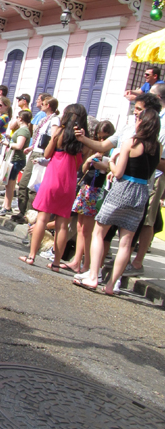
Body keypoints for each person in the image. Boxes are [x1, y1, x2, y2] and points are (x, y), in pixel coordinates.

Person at [73, 107, 162, 293]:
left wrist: (112, 160)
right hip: (141, 192)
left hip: (122, 189)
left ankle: (92, 276)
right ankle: (111, 285)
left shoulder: (132, 142)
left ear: (142, 123)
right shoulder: (157, 146)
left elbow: (118, 172)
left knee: (99, 232)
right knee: (126, 242)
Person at [20, 104, 91, 270]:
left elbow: (46, 154)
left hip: (53, 178)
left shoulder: (59, 132)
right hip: (69, 182)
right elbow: (82, 162)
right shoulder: (83, 139)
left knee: (42, 219)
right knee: (62, 225)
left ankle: (31, 256)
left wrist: (54, 138)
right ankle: (56, 263)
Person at [65, 120, 116, 274]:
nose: (101, 141)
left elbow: (112, 171)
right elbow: (84, 168)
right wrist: (89, 162)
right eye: (99, 138)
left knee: (88, 230)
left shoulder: (114, 152)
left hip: (98, 191)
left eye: (104, 138)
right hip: (87, 187)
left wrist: (103, 165)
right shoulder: (93, 148)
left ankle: (87, 264)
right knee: (80, 228)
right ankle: (76, 260)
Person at [11, 95, 60, 223]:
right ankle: (22, 212)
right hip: (35, 152)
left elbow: (53, 137)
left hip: (42, 154)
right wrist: (32, 147)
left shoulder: (54, 120)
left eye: (43, 103)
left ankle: (29, 215)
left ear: (48, 105)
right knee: (23, 183)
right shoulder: (44, 119)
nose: (41, 104)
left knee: (33, 186)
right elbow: (40, 138)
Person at [0, 110, 32, 216]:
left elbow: (19, 145)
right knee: (7, 183)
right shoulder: (22, 130)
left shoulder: (23, 131)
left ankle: (7, 207)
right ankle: (4, 205)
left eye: (17, 117)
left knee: (10, 184)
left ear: (20, 118)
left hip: (16, 159)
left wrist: (8, 143)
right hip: (13, 159)